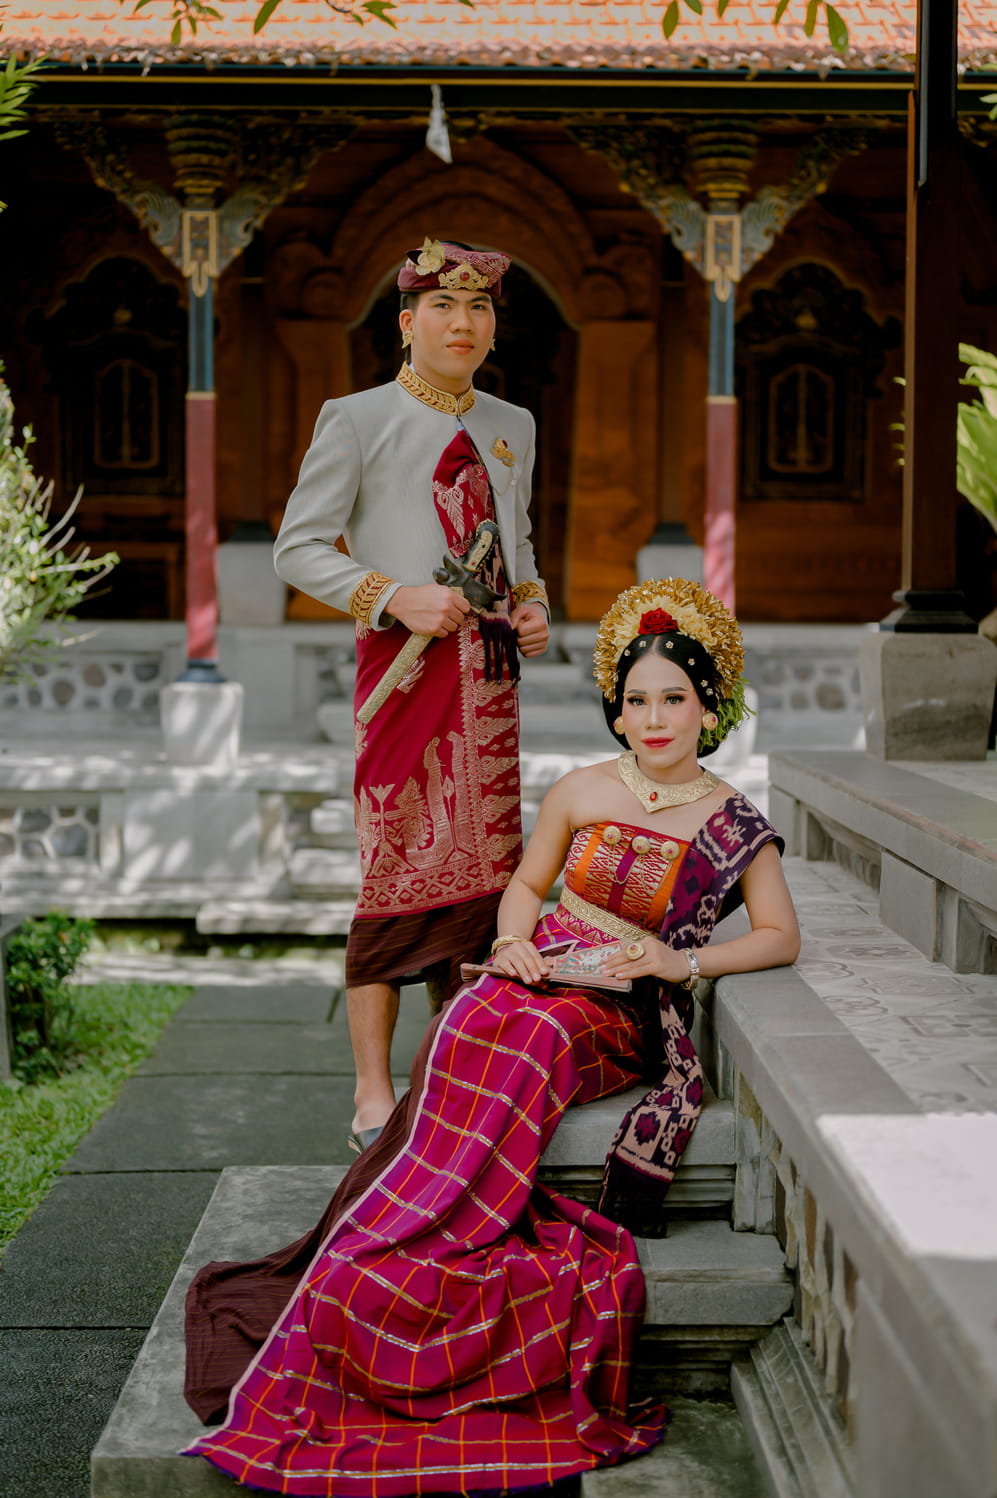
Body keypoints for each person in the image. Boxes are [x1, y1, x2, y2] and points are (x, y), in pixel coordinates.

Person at [182, 578, 799, 1496]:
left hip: (620, 1008)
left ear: (709, 707)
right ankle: (406, 1216)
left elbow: (780, 936)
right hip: (542, 965)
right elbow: (525, 886)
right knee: (466, 1018)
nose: (653, 719)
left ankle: (453, 1224)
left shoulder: (734, 824)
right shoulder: (581, 789)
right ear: (615, 710)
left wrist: (683, 963)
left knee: (530, 1039)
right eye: (635, 700)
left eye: (673, 699)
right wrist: (513, 942)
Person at [272, 238, 550, 1151]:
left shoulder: (512, 424)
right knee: (395, 868)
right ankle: (370, 1092)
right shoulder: (355, 419)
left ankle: (454, 1077)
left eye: (478, 308)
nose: (462, 323)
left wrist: (534, 603)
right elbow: (297, 549)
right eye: (442, 306)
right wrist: (392, 595)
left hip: (490, 683)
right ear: (406, 322)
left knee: (484, 880)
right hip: (401, 674)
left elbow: (518, 540)